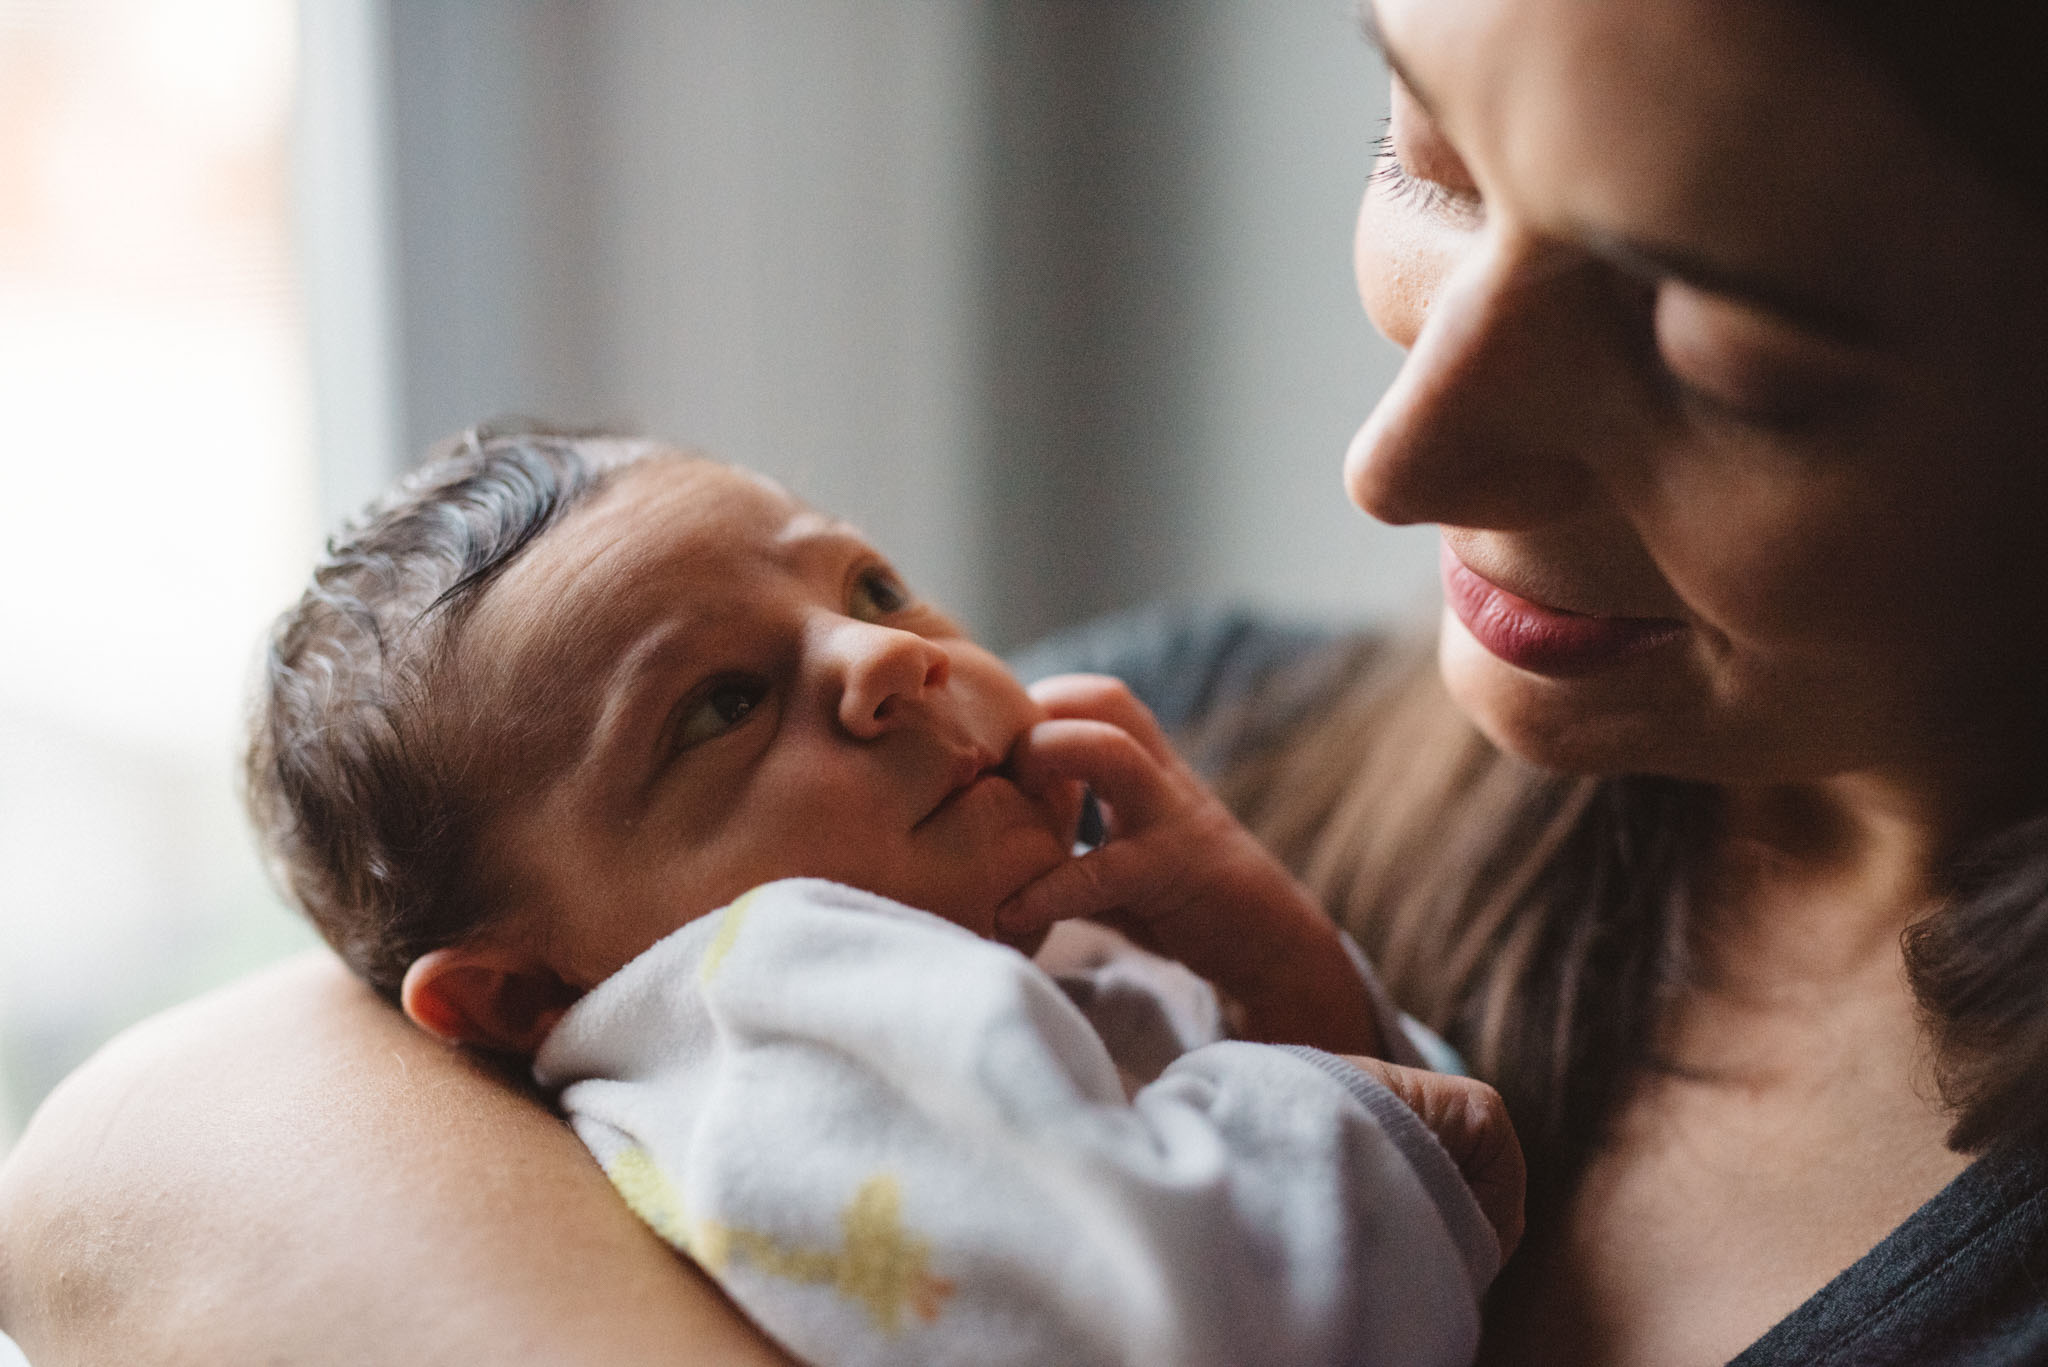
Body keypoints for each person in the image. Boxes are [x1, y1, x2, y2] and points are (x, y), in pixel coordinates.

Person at [2, 0, 2045, 1360]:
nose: (1397, 456)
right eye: (1426, 158)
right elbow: (132, 1150)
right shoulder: (1121, 794)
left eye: (1713, 345)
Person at [241, 429, 1516, 1366]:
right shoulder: (770, 1012)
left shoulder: (959, 943)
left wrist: (1279, 958)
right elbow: (1166, 1315)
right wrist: (1372, 1108)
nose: (888, 654)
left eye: (869, 586)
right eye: (722, 705)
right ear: (522, 988)